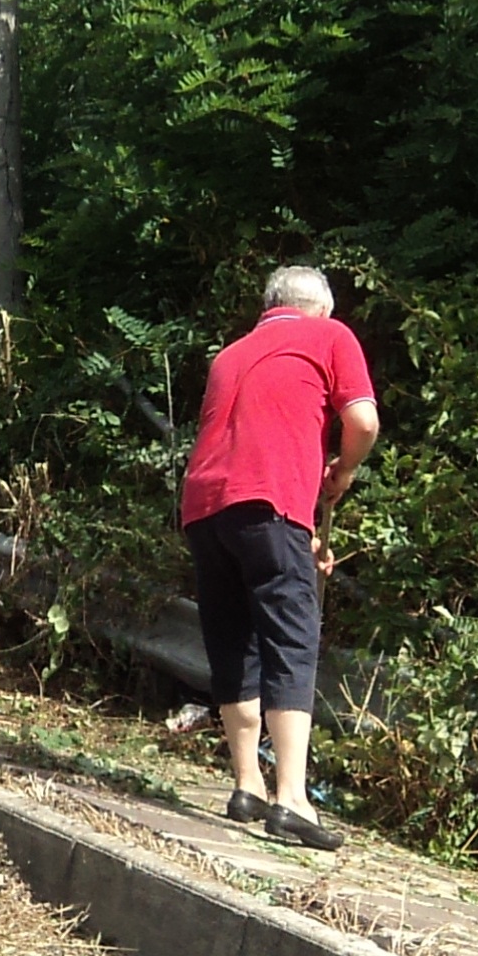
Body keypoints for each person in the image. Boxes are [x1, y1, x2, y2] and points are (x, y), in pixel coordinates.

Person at [177, 265, 380, 852]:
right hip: (268, 503)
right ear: (322, 308)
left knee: (232, 636)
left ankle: (247, 784)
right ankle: (291, 798)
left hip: (205, 508)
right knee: (292, 636)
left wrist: (302, 530)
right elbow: (362, 421)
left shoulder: (230, 355)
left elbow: (251, 443)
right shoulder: (330, 335)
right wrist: (346, 467)